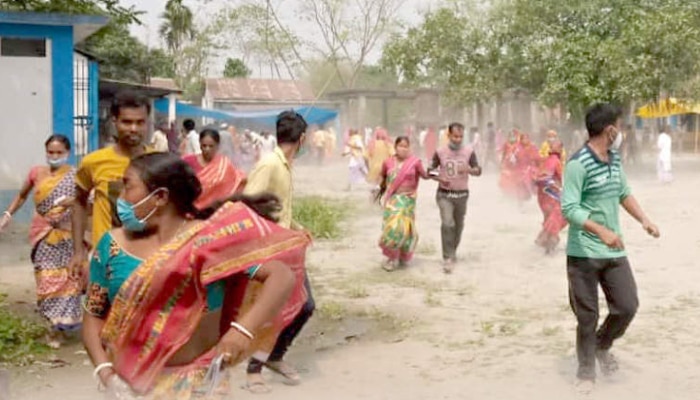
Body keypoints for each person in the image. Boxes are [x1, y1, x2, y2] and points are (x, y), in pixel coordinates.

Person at [82, 152, 310, 399]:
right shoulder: (111, 245)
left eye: (128, 186)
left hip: (199, 386)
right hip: (127, 387)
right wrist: (106, 374)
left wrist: (243, 330)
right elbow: (93, 314)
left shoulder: (209, 242)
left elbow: (281, 276)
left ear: (160, 197)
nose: (121, 197)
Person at [561, 103, 660, 394]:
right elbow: (569, 208)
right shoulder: (578, 163)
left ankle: (602, 347)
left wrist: (644, 219)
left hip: (614, 252)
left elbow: (623, 193)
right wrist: (601, 230)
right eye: (620, 125)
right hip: (583, 254)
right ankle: (586, 372)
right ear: (610, 130)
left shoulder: (614, 159)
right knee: (587, 316)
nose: (622, 131)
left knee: (628, 306)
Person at [243, 111, 315, 394]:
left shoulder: (285, 164)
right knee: (273, 309)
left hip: (287, 247)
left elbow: (279, 208)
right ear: (302, 138)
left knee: (304, 306)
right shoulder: (270, 164)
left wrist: (297, 227)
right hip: (270, 250)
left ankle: (273, 357)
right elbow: (249, 205)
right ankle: (254, 370)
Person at [0, 135, 82, 348]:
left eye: (59, 153)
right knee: (46, 280)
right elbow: (21, 196)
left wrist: (71, 201)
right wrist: (7, 215)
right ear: (46, 153)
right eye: (51, 153)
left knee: (67, 280)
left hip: (67, 234)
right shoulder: (36, 173)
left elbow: (88, 202)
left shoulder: (75, 176)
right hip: (42, 233)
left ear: (68, 153)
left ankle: (61, 328)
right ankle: (50, 324)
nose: (54, 157)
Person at [69, 92, 153, 276]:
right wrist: (78, 252)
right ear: (115, 121)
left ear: (147, 123)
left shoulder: (157, 162)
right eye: (127, 122)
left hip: (146, 260)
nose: (133, 128)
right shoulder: (94, 162)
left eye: (140, 122)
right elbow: (79, 202)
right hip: (105, 260)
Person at [428, 123, 482, 273]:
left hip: (462, 195)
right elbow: (430, 171)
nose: (458, 139)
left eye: (460, 136)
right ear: (449, 136)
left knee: (458, 226)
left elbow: (478, 170)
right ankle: (447, 258)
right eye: (455, 136)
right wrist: (440, 178)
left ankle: (452, 251)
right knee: (447, 223)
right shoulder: (440, 152)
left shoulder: (469, 152)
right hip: (445, 194)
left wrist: (470, 170)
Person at [376, 136, 433, 271]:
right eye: (400, 146)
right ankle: (392, 257)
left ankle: (402, 256)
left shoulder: (415, 162)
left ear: (410, 148)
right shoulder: (388, 162)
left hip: (408, 200)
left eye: (406, 146)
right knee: (393, 228)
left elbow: (425, 175)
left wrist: (437, 173)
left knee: (404, 228)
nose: (403, 149)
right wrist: (378, 190)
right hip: (393, 200)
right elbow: (383, 177)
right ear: (395, 147)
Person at [182, 128, 247, 210]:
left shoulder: (224, 164)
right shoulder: (188, 161)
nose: (207, 149)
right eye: (204, 146)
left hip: (216, 211)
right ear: (200, 144)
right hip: (191, 210)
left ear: (217, 145)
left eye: (211, 146)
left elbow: (237, 181)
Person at [534, 139, 567, 254]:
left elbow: (538, 177)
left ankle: (543, 239)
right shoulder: (555, 161)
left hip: (542, 196)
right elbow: (561, 180)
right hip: (551, 196)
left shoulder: (546, 161)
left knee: (550, 219)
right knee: (558, 217)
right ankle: (548, 244)